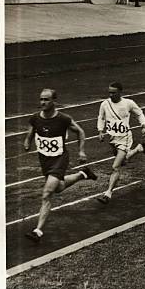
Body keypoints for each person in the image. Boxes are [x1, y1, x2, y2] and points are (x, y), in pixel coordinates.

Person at [23, 89, 97, 242]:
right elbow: (30, 132)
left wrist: (81, 151)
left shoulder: (63, 119)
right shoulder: (35, 118)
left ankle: (38, 231)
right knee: (58, 187)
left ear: (54, 101)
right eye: (41, 99)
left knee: (47, 193)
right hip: (44, 160)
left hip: (59, 159)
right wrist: (27, 142)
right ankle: (83, 174)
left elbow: (80, 132)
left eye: (46, 100)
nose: (43, 102)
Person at [96, 82, 145, 204]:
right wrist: (100, 131)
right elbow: (101, 117)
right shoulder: (105, 104)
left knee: (115, 167)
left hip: (125, 137)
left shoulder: (128, 103)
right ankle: (139, 148)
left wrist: (143, 126)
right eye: (109, 92)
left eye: (114, 92)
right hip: (112, 138)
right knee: (123, 161)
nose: (111, 95)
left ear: (120, 92)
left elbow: (139, 113)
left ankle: (108, 193)